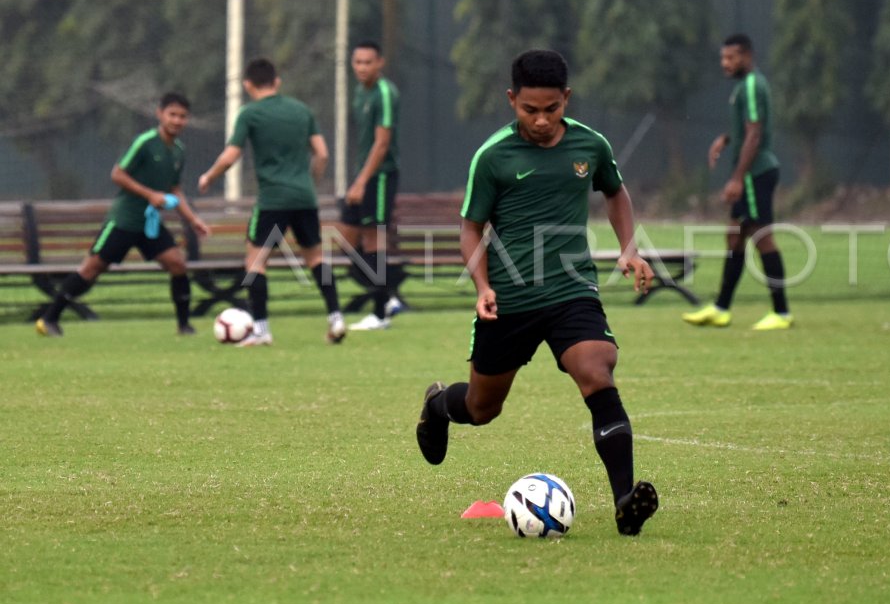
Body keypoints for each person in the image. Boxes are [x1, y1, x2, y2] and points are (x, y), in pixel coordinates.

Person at [415, 49, 660, 536]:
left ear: (566, 98)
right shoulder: (493, 156)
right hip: (509, 301)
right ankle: (439, 405)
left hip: (571, 290)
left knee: (596, 370)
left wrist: (628, 248)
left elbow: (615, 191)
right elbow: (470, 228)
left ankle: (625, 502)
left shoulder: (590, 145)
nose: (543, 120)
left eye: (552, 108)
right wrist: (482, 285)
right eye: (530, 110)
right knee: (483, 408)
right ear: (511, 100)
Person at [198, 58, 347, 346]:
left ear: (247, 84)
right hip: (304, 197)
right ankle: (336, 318)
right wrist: (309, 183)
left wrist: (209, 176)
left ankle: (262, 330)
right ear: (277, 82)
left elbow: (231, 155)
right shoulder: (302, 111)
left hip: (272, 200)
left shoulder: (249, 114)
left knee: (255, 262)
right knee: (315, 259)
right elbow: (322, 154)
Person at [36, 92, 210, 337]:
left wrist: (193, 220)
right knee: (91, 269)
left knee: (177, 263)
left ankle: (184, 326)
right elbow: (117, 174)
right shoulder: (145, 142)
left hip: (149, 224)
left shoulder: (179, 150)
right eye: (172, 115)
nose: (177, 121)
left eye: (182, 117)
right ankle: (49, 319)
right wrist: (149, 194)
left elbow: (175, 190)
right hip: (125, 219)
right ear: (160, 114)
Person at [683, 33, 792, 331]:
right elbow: (748, 129)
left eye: (731, 57)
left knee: (762, 237)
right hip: (751, 172)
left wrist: (736, 179)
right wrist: (727, 138)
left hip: (756, 172)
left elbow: (756, 133)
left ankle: (781, 313)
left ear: (747, 56)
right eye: (723, 58)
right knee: (734, 237)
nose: (725, 63)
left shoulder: (754, 84)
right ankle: (721, 308)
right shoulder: (744, 87)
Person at [336, 40, 405, 331]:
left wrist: (362, 182)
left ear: (380, 63)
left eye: (368, 62)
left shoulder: (385, 93)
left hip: (379, 177)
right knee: (344, 239)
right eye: (357, 62)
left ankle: (379, 313)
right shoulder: (359, 93)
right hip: (364, 176)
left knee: (375, 238)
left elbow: (382, 142)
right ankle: (387, 296)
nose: (362, 67)